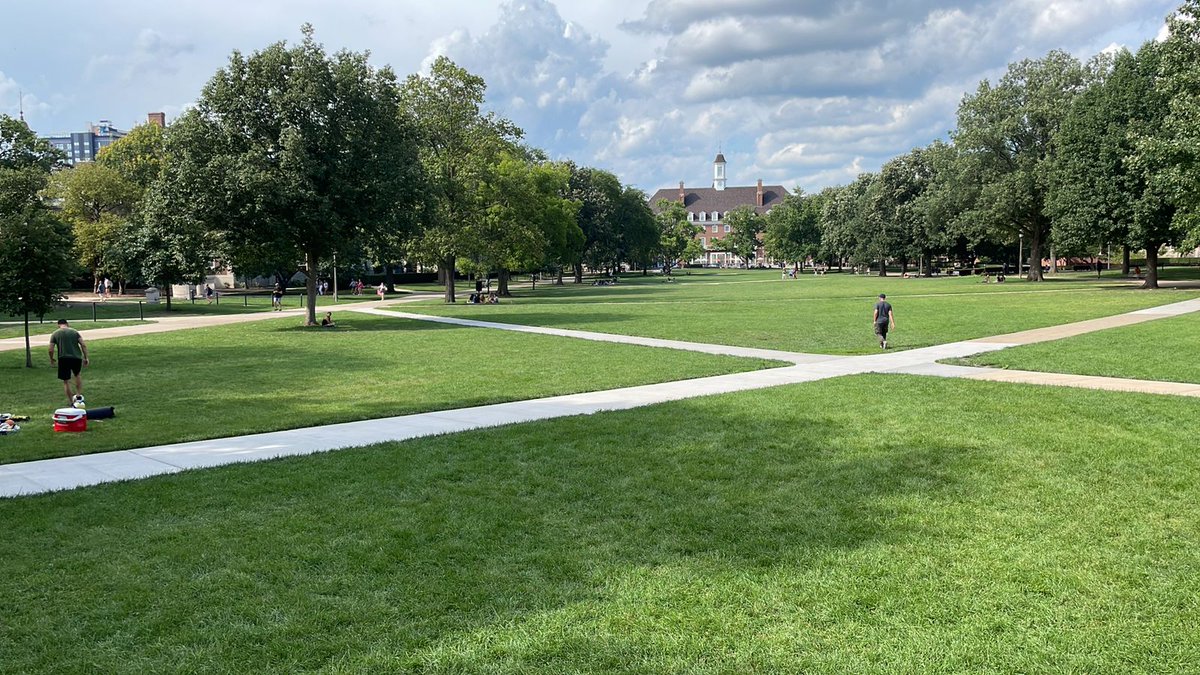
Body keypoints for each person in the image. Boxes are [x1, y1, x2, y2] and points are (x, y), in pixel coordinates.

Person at [48, 319, 89, 405]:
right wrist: (86, 357)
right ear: (67, 324)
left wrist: (51, 359)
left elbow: (51, 349)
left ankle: (71, 401)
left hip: (63, 358)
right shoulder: (74, 332)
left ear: (58, 325)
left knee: (66, 381)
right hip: (76, 357)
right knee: (77, 375)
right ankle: (78, 395)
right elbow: (83, 344)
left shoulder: (55, 333)